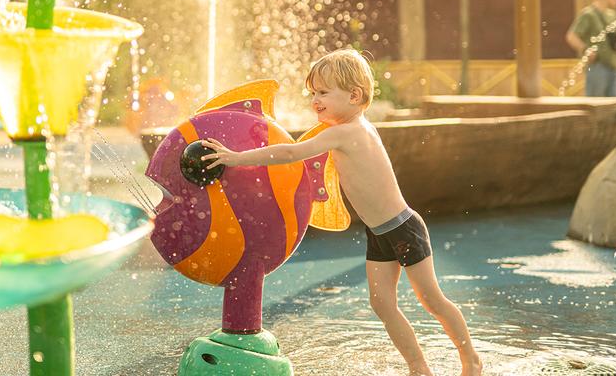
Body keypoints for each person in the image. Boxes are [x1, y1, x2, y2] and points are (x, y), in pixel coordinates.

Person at [201, 49, 481, 376]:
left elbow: (292, 152)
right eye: (313, 93)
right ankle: (419, 368)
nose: (315, 100)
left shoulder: (347, 132)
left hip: (403, 228)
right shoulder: (344, 129)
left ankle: (471, 360)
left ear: (354, 95)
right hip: (379, 233)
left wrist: (236, 157)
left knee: (432, 300)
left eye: (323, 93)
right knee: (382, 305)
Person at [566, 0, 616, 97]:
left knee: (615, 107)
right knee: (595, 105)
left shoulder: (612, 15)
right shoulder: (588, 14)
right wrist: (585, 50)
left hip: (614, 66)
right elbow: (571, 36)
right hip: (597, 66)